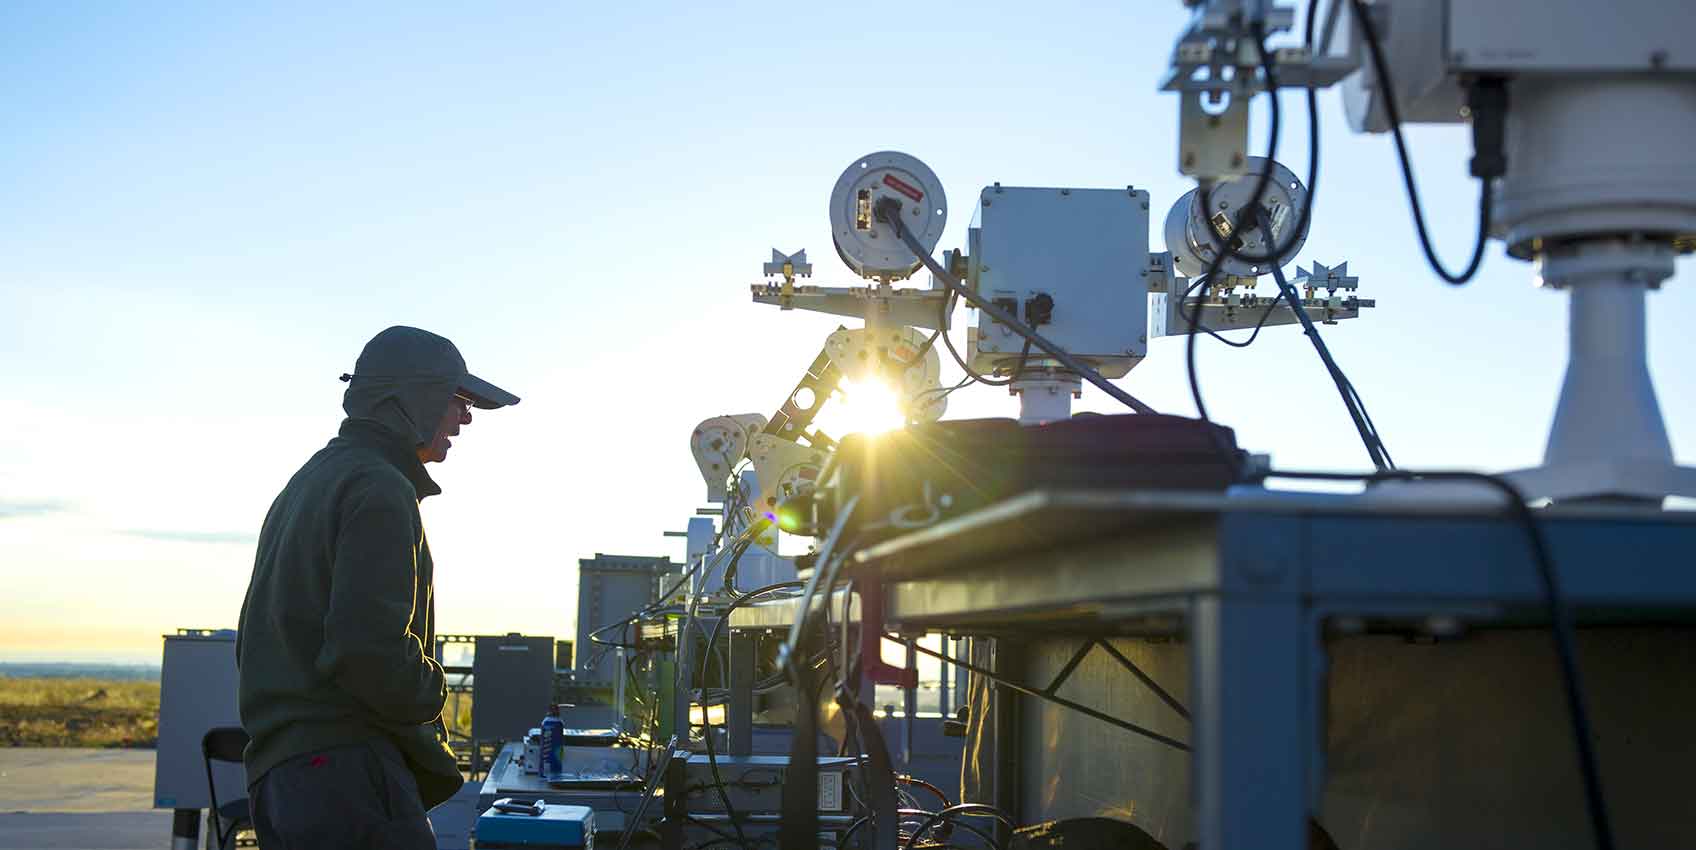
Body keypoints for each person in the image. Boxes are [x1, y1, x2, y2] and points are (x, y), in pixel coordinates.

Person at [236, 326, 519, 849]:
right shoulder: (380, 487)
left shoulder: (314, 479)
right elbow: (369, 651)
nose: (466, 417)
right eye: (456, 399)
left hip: (289, 777)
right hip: (345, 775)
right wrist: (434, 689)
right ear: (409, 400)